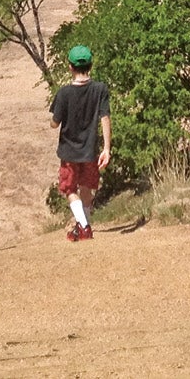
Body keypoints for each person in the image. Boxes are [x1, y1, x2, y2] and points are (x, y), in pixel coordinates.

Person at [48, 44, 111, 242]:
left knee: (69, 189)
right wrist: (107, 148)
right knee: (86, 188)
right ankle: (81, 226)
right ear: (90, 66)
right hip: (90, 149)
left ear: (70, 67)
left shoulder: (64, 93)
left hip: (69, 150)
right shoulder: (100, 89)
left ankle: (84, 227)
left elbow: (54, 123)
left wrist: (53, 120)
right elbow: (105, 117)